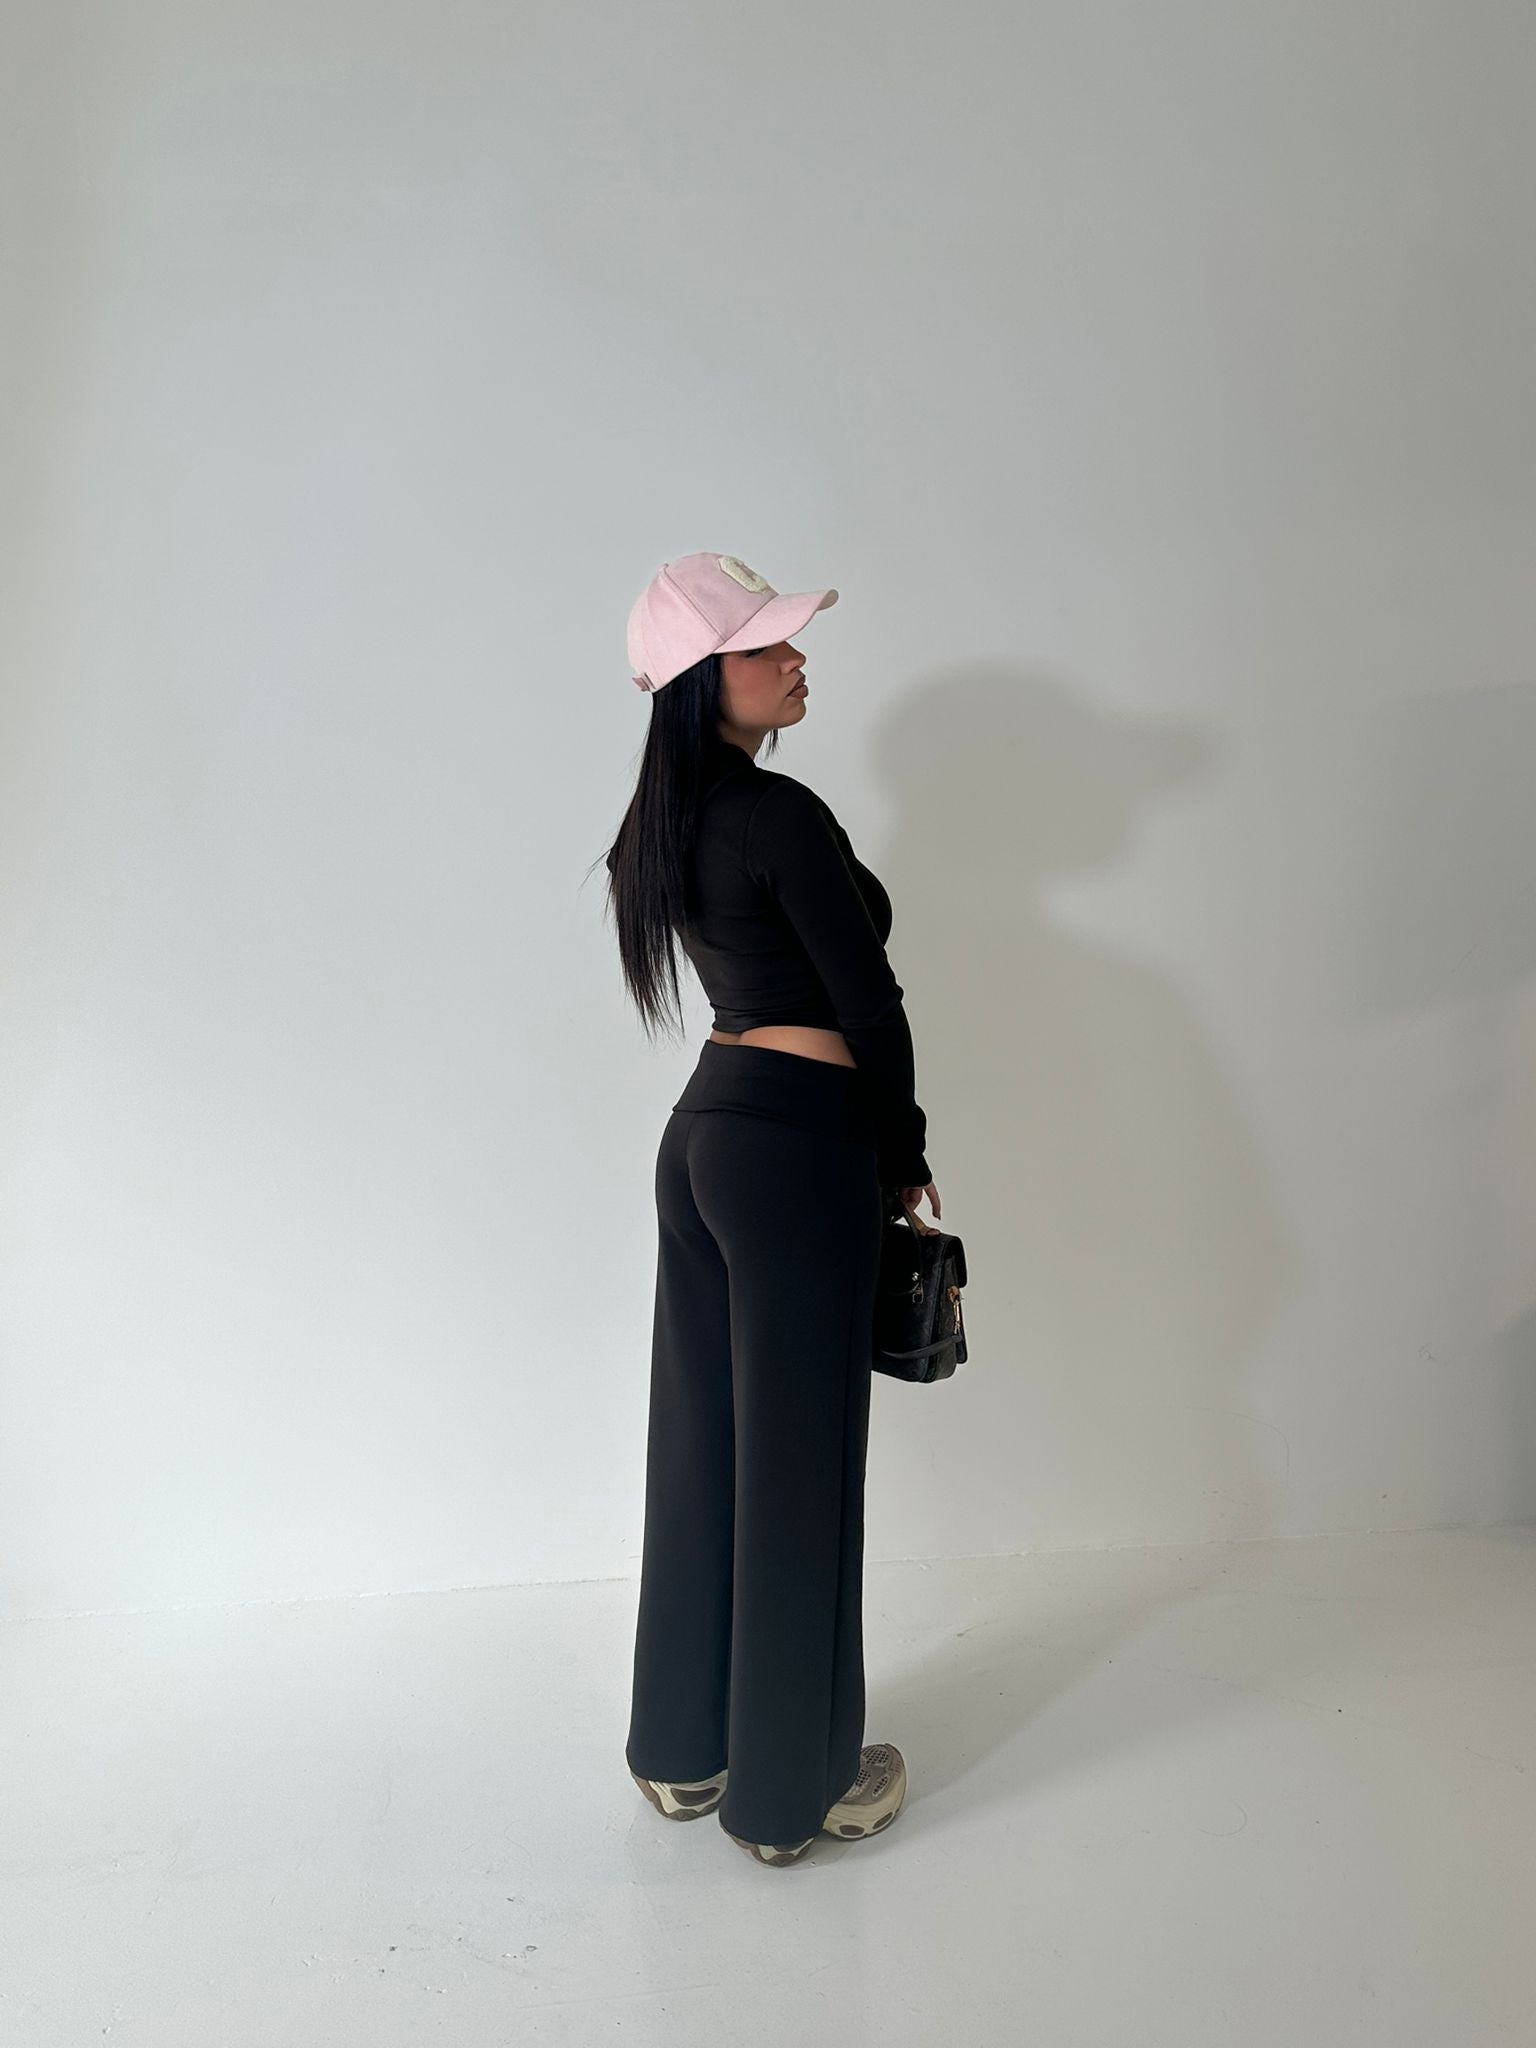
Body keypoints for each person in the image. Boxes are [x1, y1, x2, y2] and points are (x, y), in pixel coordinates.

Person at [603, 552, 939, 1866]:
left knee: (701, 1445)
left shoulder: (657, 825)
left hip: (705, 1136)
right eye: (767, 647)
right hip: (797, 1146)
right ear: (704, 679)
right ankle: (796, 1792)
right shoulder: (776, 814)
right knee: (800, 1466)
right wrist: (903, 1148)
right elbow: (869, 1003)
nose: (797, 661)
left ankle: (681, 1752)